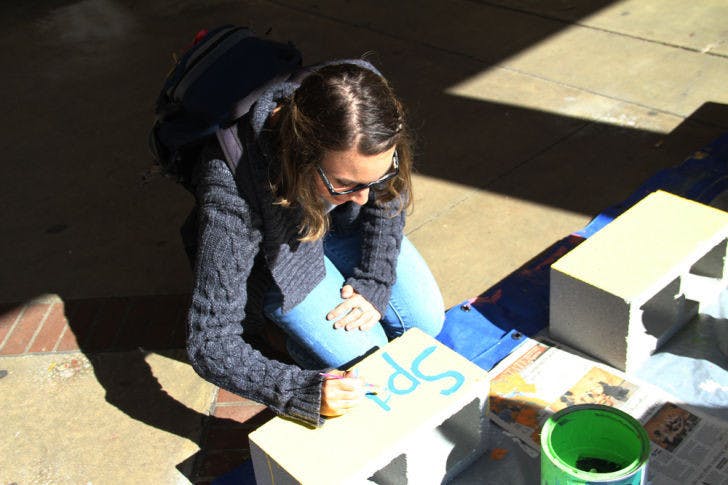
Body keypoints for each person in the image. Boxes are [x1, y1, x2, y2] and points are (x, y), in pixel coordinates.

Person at [183, 58, 445, 427]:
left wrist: (376, 277)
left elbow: (387, 196)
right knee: (365, 359)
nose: (363, 199)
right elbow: (210, 342)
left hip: (341, 231)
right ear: (299, 154)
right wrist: (300, 391)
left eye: (375, 178)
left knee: (426, 324)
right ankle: (290, 340)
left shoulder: (368, 106)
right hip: (281, 260)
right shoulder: (230, 184)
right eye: (345, 184)